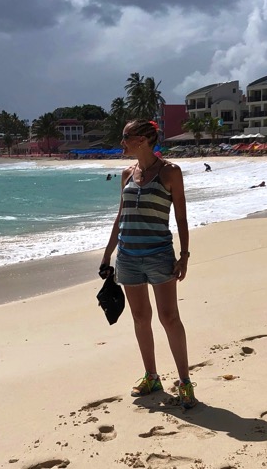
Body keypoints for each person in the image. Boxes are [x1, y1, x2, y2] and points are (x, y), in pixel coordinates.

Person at [102, 119, 196, 408]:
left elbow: (180, 216)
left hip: (159, 255)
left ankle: (185, 382)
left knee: (169, 318)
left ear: (142, 139)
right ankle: (152, 376)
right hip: (128, 258)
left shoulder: (170, 172)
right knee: (141, 319)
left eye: (126, 137)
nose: (122, 143)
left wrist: (184, 255)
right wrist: (107, 256)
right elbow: (121, 217)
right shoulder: (127, 174)